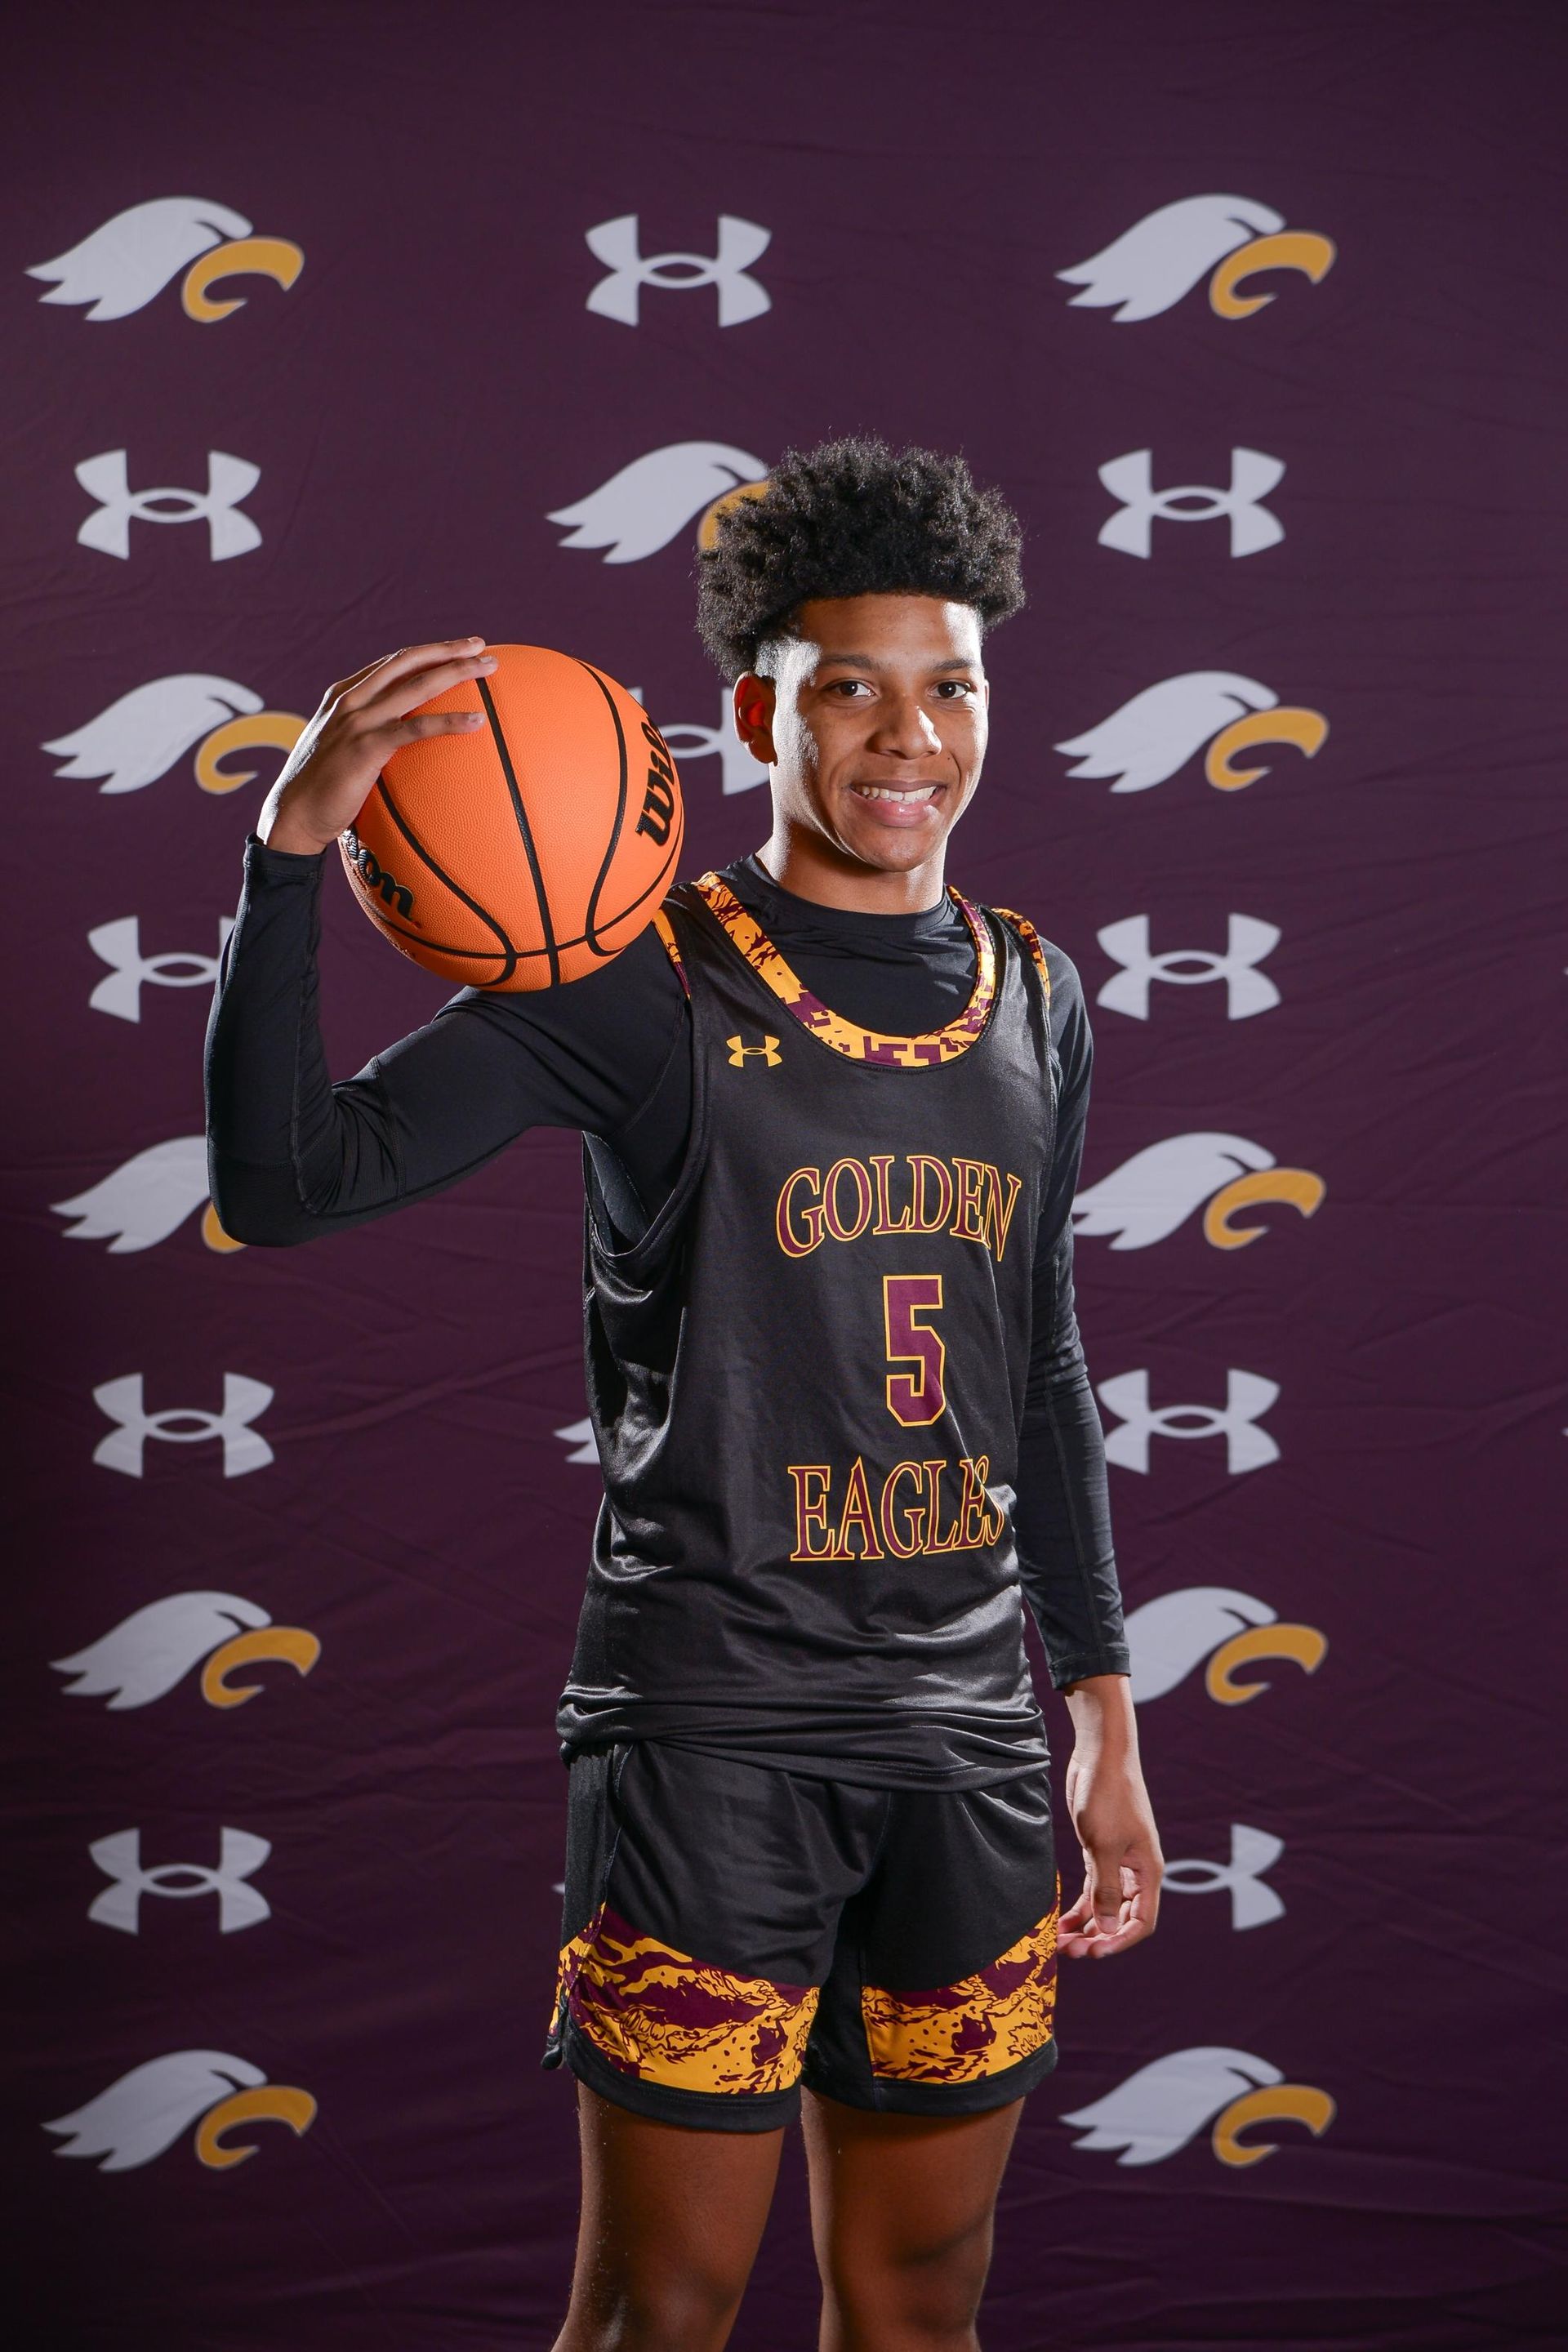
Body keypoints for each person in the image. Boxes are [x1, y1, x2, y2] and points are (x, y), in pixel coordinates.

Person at [206, 437, 1163, 2352]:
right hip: (713, 1725)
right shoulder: (637, 979)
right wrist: (293, 851)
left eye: (950, 683)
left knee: (920, 2299)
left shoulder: (1039, 993)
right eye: (852, 687)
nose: (912, 735)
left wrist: (1104, 1715)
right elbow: (284, 1183)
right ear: (757, 709)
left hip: (965, 1738)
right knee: (664, 2304)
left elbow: (1039, 1364)